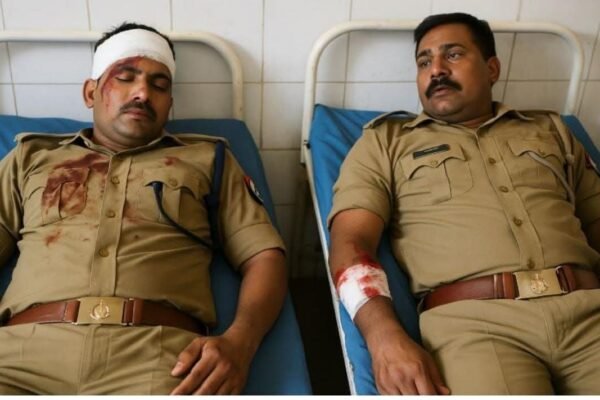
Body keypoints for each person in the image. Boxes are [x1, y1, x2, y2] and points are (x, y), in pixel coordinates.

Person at [0, 22, 287, 395]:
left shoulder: (208, 160)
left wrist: (240, 344)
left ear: (170, 103)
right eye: (125, 77)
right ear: (90, 92)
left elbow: (264, 256)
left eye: (159, 85)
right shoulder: (30, 157)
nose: (142, 93)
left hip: (157, 358)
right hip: (20, 355)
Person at [328, 12, 600, 395]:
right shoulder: (384, 143)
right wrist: (384, 338)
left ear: (492, 69)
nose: (436, 70)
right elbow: (350, 243)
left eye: (453, 55)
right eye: (424, 62)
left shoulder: (552, 130)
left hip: (589, 312)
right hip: (475, 328)